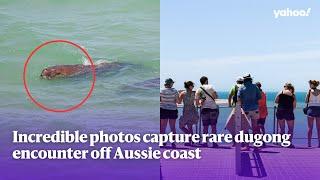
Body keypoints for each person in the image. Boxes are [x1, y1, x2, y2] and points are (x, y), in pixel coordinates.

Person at [237, 74, 261, 150]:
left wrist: (241, 105)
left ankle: (247, 146)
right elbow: (259, 97)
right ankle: (256, 145)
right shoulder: (255, 87)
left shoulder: (241, 88)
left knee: (245, 128)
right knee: (255, 128)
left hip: (246, 110)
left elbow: (239, 98)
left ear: (244, 80)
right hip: (255, 109)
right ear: (250, 79)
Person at [195, 76, 219, 148]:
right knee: (213, 126)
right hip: (213, 108)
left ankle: (205, 142)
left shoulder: (199, 89)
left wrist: (200, 103)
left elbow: (196, 101)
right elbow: (216, 96)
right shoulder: (211, 87)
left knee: (205, 127)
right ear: (206, 81)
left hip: (204, 109)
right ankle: (214, 142)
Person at [275, 83, 296, 148]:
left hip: (280, 111)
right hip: (289, 112)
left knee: (282, 129)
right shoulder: (293, 95)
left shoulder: (280, 93)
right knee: (290, 129)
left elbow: (276, 101)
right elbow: (294, 106)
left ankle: (282, 142)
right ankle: (289, 143)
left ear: (285, 87)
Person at [178, 81, 199, 146]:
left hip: (186, 111)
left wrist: (179, 94)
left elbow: (179, 102)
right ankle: (191, 140)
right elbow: (198, 101)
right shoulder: (194, 93)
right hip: (193, 110)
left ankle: (189, 137)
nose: (193, 87)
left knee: (181, 126)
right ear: (190, 86)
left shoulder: (183, 93)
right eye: (192, 86)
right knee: (190, 126)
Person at [160, 78, 179, 148]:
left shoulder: (161, 91)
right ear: (170, 84)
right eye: (172, 83)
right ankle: (173, 143)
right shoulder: (175, 91)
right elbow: (178, 101)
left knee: (163, 127)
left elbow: (160, 100)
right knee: (172, 127)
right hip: (172, 110)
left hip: (163, 109)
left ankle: (162, 142)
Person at [305, 80, 320, 148]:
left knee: (310, 128)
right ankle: (319, 144)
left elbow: (306, 101)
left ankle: (309, 143)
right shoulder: (319, 91)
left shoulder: (309, 91)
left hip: (311, 109)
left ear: (312, 84)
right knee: (319, 128)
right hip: (319, 109)